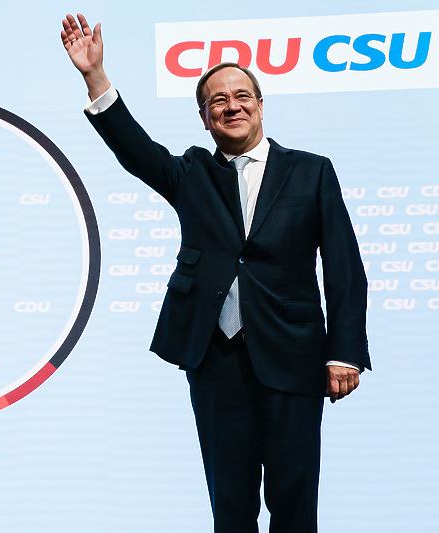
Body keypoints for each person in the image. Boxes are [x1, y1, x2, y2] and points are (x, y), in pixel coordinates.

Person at [61, 13, 369, 533]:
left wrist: (345, 353)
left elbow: (344, 268)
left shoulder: (311, 170)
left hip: (294, 353)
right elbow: (133, 149)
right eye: (218, 101)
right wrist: (95, 75)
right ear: (205, 118)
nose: (232, 106)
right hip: (216, 357)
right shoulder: (192, 172)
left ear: (261, 106)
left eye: (242, 96)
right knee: (230, 503)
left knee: (294, 502)